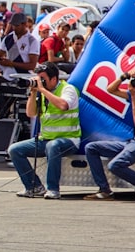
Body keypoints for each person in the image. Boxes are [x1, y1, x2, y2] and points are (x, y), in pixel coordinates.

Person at [83, 68, 135, 202]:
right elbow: (111, 89)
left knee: (114, 165)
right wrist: (125, 76)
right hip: (133, 142)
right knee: (91, 148)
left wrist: (133, 97)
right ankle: (104, 190)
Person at [7, 62, 81, 199]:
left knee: (53, 146)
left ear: (54, 79)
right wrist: (34, 92)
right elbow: (30, 113)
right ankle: (34, 187)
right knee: (14, 149)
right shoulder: (42, 92)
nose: (40, 82)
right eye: (38, 78)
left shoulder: (68, 89)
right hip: (45, 139)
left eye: (43, 79)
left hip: (69, 140)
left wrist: (42, 90)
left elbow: (63, 105)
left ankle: (53, 189)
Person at [0, 12, 40, 78]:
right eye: (13, 25)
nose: (14, 28)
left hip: (24, 77)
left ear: (24, 24)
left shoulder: (32, 41)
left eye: (17, 25)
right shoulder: (8, 38)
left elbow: (32, 66)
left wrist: (11, 64)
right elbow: (0, 53)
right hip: (7, 76)